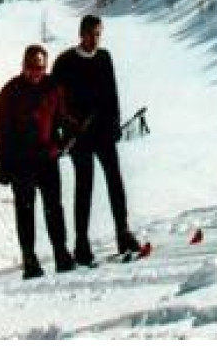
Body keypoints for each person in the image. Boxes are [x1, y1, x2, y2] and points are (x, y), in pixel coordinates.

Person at [52, 15, 140, 264]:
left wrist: (114, 124)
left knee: (115, 181)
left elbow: (112, 93)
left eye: (98, 34)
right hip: (79, 136)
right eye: (91, 34)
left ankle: (123, 233)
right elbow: (56, 103)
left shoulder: (104, 58)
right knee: (84, 187)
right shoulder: (65, 62)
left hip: (103, 132)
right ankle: (81, 243)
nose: (95, 39)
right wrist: (66, 130)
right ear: (81, 34)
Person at [0, 44, 75, 279]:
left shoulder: (53, 88)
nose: (35, 72)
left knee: (54, 208)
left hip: (47, 159)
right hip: (20, 162)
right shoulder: (10, 91)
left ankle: (61, 253)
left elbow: (61, 117)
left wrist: (67, 133)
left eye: (40, 67)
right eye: (31, 67)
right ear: (23, 66)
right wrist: (1, 165)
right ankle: (29, 259)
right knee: (25, 211)